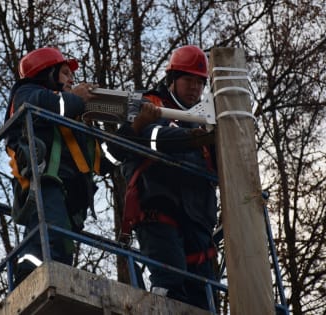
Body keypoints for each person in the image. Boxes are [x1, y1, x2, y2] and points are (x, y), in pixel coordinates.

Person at [107, 45, 218, 310]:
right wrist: (188, 138)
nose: (194, 87)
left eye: (200, 82)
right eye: (188, 80)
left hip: (198, 221)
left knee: (205, 297)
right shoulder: (149, 104)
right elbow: (114, 151)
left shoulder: (204, 121)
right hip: (159, 210)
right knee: (170, 284)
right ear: (172, 80)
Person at [4, 47, 111, 286]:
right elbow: (53, 106)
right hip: (45, 180)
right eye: (64, 72)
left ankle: (56, 278)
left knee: (63, 245)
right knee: (47, 233)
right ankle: (28, 278)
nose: (71, 79)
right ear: (47, 74)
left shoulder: (73, 113)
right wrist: (79, 99)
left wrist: (130, 131)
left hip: (72, 190)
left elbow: (106, 161)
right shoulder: (27, 93)